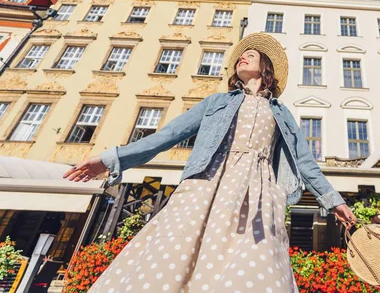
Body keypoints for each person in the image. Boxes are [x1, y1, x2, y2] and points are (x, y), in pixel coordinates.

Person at [63, 32, 356, 292]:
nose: (241, 57)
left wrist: (334, 201)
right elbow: (167, 136)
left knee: (257, 263)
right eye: (240, 56)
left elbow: (306, 163)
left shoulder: (281, 113)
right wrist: (111, 159)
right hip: (206, 186)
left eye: (250, 55)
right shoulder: (216, 103)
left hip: (260, 196)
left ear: (265, 66)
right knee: (175, 256)